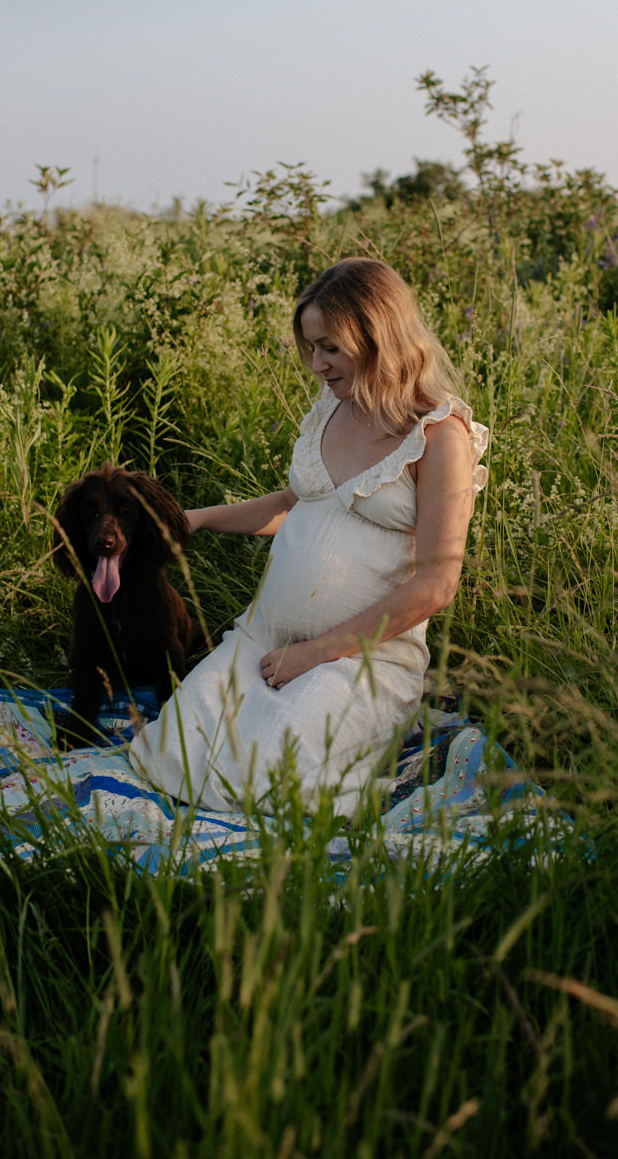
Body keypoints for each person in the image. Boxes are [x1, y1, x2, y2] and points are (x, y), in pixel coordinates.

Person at [128, 257, 489, 816]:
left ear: (378, 337)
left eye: (330, 348)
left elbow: (439, 582)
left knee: (275, 775)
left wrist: (315, 653)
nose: (317, 365)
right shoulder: (332, 411)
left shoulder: (441, 436)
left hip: (361, 660)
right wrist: (192, 518)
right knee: (166, 753)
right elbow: (293, 505)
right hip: (263, 640)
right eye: (311, 348)